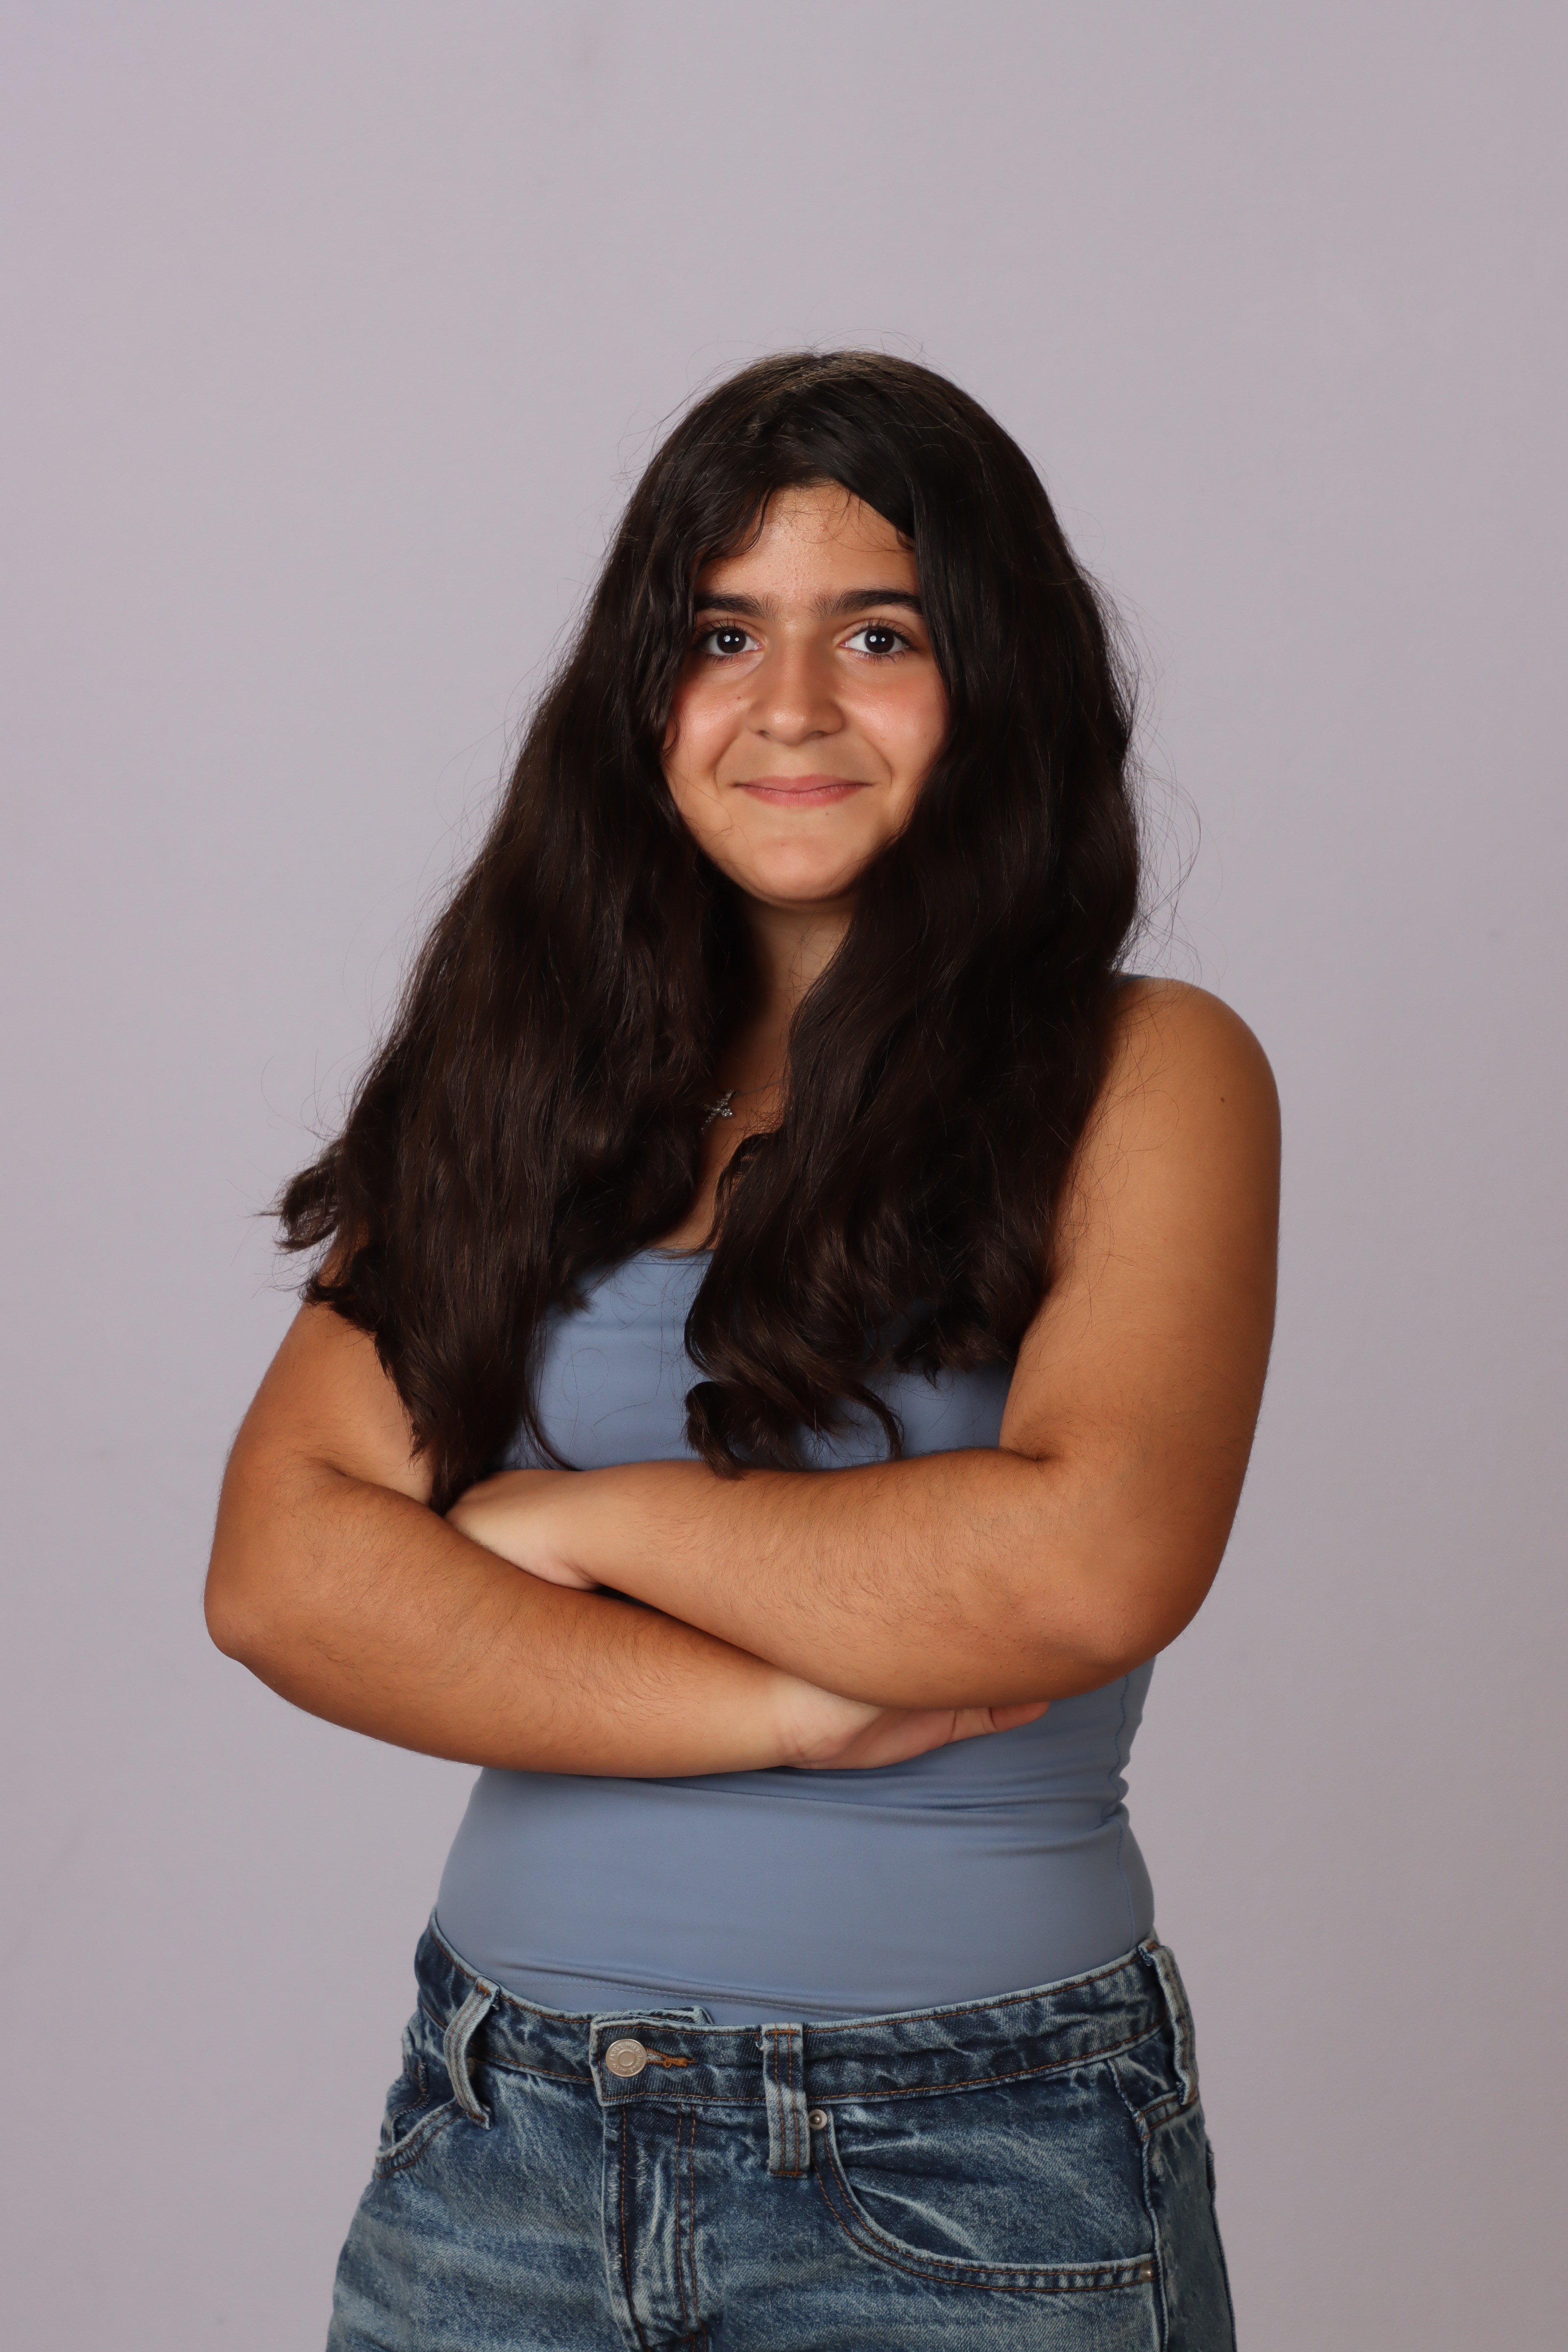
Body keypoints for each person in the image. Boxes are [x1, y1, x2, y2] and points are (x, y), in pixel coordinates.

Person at [205, 350, 1279, 2350]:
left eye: (877, 633)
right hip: (503, 2137)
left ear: (998, 679)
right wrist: (785, 1706)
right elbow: (285, 1574)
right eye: (720, 634)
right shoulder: (525, 1080)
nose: (788, 704)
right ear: (642, 692)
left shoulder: (1144, 1071)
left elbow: (1082, 1565)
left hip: (970, 2154)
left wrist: (564, 1521)